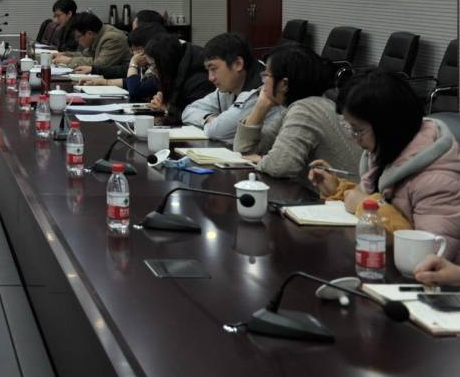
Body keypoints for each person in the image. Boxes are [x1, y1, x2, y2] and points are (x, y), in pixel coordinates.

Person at [308, 71, 460, 259]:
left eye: (358, 130)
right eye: (350, 128)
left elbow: (433, 255)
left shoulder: (437, 181)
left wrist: (366, 206)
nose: (354, 138)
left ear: (387, 126)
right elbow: (377, 198)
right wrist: (338, 189)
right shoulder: (389, 149)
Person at [233, 44, 361, 182]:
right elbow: (244, 152)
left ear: (284, 84)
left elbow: (280, 166)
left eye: (266, 75)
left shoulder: (306, 111)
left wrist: (260, 159)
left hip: (342, 193)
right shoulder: (305, 105)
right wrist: (260, 107)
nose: (263, 82)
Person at [182, 32, 277, 143]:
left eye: (213, 69)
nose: (210, 78)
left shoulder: (261, 91)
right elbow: (188, 111)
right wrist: (209, 118)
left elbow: (216, 131)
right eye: (208, 70)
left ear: (238, 64)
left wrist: (215, 124)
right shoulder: (230, 86)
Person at [79, 24, 165, 102]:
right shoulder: (149, 67)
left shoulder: (161, 69)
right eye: (133, 50)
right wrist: (103, 82)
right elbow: (130, 81)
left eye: (138, 50)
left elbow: (135, 90)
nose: (135, 54)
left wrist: (133, 63)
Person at [144, 33, 214, 119]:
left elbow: (196, 116)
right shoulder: (176, 66)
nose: (152, 71)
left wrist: (167, 108)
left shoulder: (199, 79)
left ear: (165, 64)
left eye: (154, 67)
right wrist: (163, 101)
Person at [56, 12, 130, 74]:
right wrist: (63, 54)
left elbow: (99, 65)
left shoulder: (112, 39)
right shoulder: (98, 35)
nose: (76, 40)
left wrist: (69, 61)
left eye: (78, 37)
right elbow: (85, 54)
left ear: (89, 34)